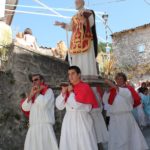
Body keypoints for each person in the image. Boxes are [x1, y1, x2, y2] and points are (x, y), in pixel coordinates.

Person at [56, 66, 98, 150]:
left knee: (84, 144)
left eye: (73, 73)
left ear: (79, 75)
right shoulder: (68, 88)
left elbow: (76, 105)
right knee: (69, 145)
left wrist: (71, 92)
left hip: (81, 120)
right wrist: (63, 93)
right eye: (69, 74)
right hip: (69, 120)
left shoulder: (85, 87)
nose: (70, 76)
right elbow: (59, 106)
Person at [55, 0, 98, 79]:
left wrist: (84, 21)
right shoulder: (74, 17)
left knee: (86, 60)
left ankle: (87, 79)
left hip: (85, 40)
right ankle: (77, 79)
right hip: (75, 43)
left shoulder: (88, 12)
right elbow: (71, 27)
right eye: (75, 2)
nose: (75, 3)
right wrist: (62, 24)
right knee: (76, 61)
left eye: (77, 2)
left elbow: (91, 24)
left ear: (83, 2)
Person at [105, 73, 148, 150]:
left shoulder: (128, 89)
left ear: (124, 80)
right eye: (117, 79)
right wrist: (107, 92)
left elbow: (125, 94)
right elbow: (107, 102)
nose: (119, 80)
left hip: (125, 117)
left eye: (121, 79)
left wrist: (113, 86)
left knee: (126, 136)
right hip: (114, 117)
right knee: (115, 137)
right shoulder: (112, 90)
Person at [21, 74, 58, 150]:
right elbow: (25, 108)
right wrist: (31, 95)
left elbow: (44, 104)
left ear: (42, 81)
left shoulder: (48, 91)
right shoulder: (33, 94)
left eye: (36, 79)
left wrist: (38, 93)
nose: (34, 82)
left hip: (45, 127)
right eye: (33, 80)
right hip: (33, 128)